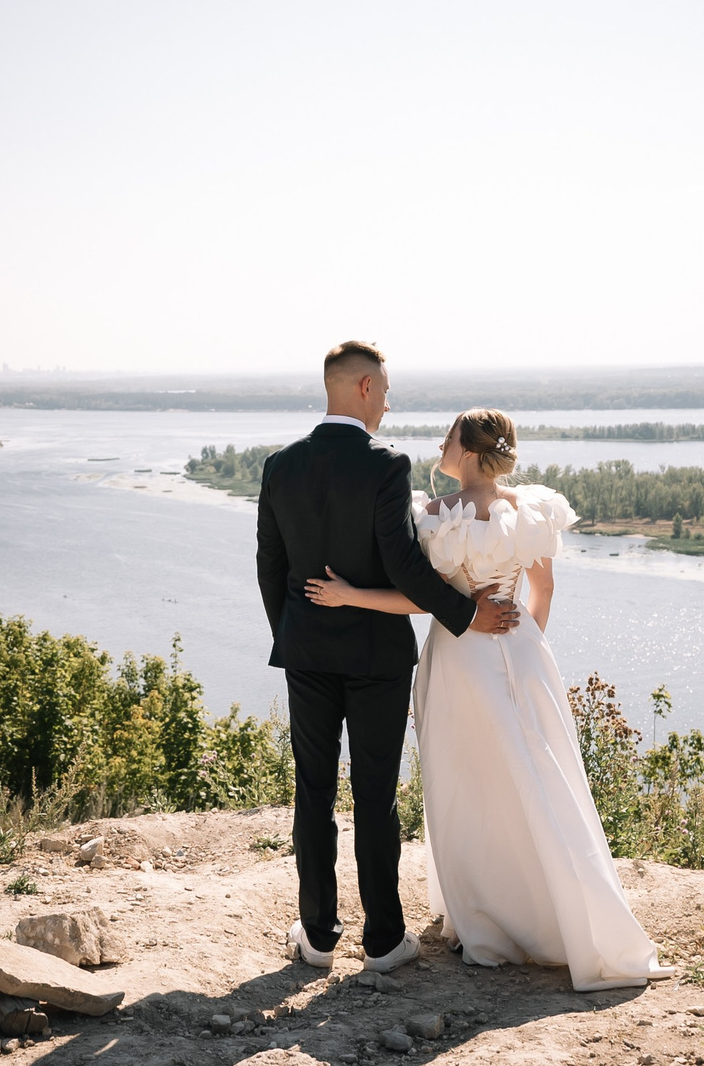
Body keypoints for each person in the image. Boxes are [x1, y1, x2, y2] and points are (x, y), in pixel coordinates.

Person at [305, 408, 669, 991]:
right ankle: (548, 913)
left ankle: (487, 922)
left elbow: (423, 601)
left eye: (449, 437)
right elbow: (543, 589)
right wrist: (526, 650)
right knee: (538, 776)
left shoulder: (433, 517)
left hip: (458, 659)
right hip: (520, 653)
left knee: (466, 784)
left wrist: (350, 595)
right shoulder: (530, 510)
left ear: (469, 452)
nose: (441, 445)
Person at [256, 341, 520, 972]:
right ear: (366, 389)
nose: (390, 403)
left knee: (313, 791)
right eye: (388, 390)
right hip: (376, 658)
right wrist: (466, 614)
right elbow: (402, 564)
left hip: (306, 655)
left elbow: (270, 568)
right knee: (375, 795)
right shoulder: (386, 465)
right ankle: (382, 941)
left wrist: (296, 633)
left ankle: (317, 937)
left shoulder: (279, 465)